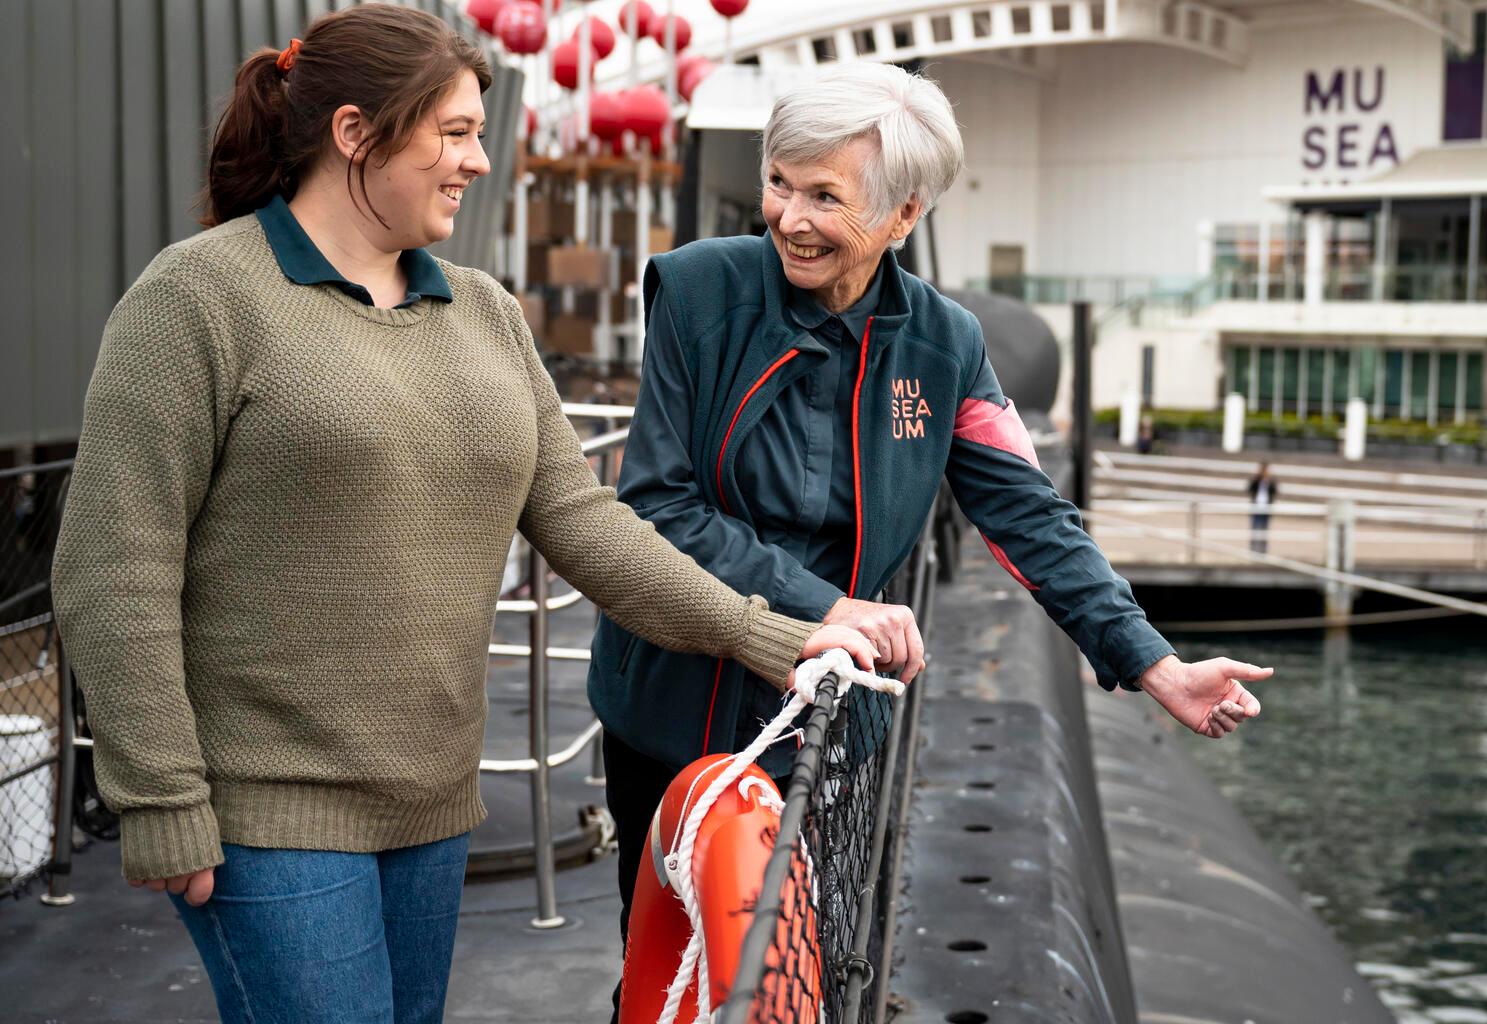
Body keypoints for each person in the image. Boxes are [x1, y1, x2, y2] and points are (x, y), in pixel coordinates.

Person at [48, 9, 873, 1024]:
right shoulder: (198, 298)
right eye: (452, 133)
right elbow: (111, 567)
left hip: (431, 809)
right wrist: (161, 796)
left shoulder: (480, 311)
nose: (479, 160)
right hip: (264, 815)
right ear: (356, 133)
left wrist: (776, 635)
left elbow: (587, 523)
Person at [586, 61, 1272, 1003]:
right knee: (656, 960)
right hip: (669, 697)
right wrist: (826, 607)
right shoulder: (699, 290)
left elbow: (1028, 513)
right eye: (780, 182)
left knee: (798, 971)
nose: (789, 215)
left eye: (826, 196)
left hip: (827, 723)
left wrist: (1153, 663)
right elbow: (659, 505)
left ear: (904, 215)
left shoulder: (946, 346)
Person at [1249, 461, 1278, 555]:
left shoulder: (1271, 481)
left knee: (1264, 530)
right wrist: (1257, 479)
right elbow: (1250, 489)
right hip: (1256, 507)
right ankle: (1253, 551)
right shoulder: (1256, 480)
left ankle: (1263, 552)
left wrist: (1268, 481)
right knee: (1255, 530)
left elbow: (1275, 491)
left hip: (1266, 508)